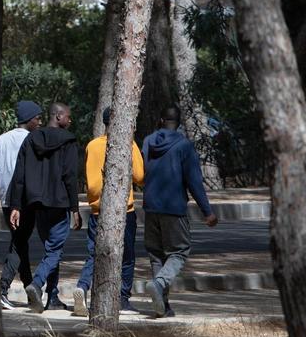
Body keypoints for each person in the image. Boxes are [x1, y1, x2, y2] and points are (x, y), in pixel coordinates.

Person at [142, 106, 219, 318]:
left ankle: (162, 306)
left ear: (160, 120)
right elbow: (194, 181)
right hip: (174, 208)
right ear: (179, 122)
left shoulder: (148, 142)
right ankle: (159, 284)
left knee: (156, 255)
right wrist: (207, 211)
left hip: (150, 206)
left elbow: (141, 170)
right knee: (178, 251)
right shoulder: (184, 146)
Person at [71, 107, 145, 317]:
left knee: (95, 253)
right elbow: (140, 176)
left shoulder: (93, 145)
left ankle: (83, 287)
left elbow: (90, 180)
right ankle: (122, 299)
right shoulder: (128, 143)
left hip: (97, 210)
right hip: (124, 210)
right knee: (127, 256)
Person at [8, 102, 82, 313]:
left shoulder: (30, 139)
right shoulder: (69, 141)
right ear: (58, 116)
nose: (70, 120)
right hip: (59, 203)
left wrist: (16, 205)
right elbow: (70, 176)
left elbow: (19, 174)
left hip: (37, 204)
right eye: (68, 116)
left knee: (51, 250)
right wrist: (74, 208)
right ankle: (36, 284)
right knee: (54, 250)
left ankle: (53, 296)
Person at [0, 100, 43, 311]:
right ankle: (2, 290)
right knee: (18, 243)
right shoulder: (34, 139)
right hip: (25, 200)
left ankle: (30, 289)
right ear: (28, 119)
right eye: (37, 118)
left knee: (20, 242)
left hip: (7, 200)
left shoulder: (2, 139)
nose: (40, 121)